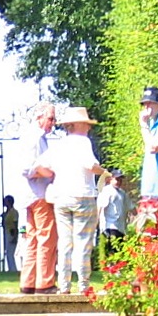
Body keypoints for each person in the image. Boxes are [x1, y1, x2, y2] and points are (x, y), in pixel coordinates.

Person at [40, 105, 104, 295]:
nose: (88, 128)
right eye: (86, 124)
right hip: (83, 195)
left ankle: (64, 285)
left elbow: (40, 166)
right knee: (83, 241)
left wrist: (54, 178)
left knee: (65, 242)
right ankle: (83, 284)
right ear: (77, 125)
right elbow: (91, 165)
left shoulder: (59, 145)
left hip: (62, 197)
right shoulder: (83, 142)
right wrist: (104, 173)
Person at [18, 102, 59, 294]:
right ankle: (45, 282)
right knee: (47, 238)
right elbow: (28, 168)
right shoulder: (35, 138)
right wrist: (52, 174)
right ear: (39, 117)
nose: (53, 123)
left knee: (33, 238)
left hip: (30, 196)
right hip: (40, 195)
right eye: (50, 118)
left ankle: (28, 281)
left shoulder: (34, 137)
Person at [97, 168, 128, 268]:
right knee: (112, 247)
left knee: (119, 247)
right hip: (110, 225)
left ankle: (115, 267)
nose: (119, 182)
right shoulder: (107, 191)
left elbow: (131, 207)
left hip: (120, 226)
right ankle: (112, 267)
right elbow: (101, 206)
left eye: (120, 180)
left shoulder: (122, 193)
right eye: (117, 179)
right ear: (111, 179)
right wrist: (97, 221)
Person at [0, 195, 19, 272]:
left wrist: (15, 236)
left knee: (10, 253)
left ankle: (13, 269)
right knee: (8, 252)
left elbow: (15, 224)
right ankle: (11, 268)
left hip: (11, 233)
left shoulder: (14, 212)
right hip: (7, 233)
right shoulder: (6, 213)